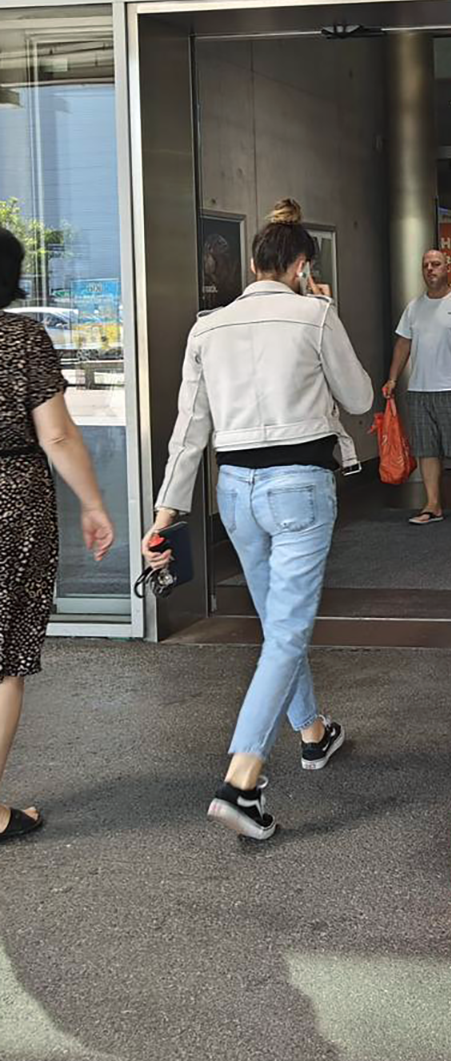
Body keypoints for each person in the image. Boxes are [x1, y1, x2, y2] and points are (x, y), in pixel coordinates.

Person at [144, 199, 374, 841]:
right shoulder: (314, 313)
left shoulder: (208, 327)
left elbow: (189, 431)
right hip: (299, 486)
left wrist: (165, 513)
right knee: (287, 630)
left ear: (251, 263)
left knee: (279, 623)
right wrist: (324, 314)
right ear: (302, 266)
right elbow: (358, 396)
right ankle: (241, 780)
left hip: (236, 490)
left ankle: (312, 733)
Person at [0, 228, 116, 844]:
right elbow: (59, 436)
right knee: (3, 661)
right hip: (11, 503)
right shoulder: (19, 338)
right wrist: (94, 504)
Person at [382, 249, 451, 525]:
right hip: (419, 390)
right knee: (426, 449)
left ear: (447, 268)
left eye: (436, 264)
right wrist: (393, 378)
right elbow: (403, 344)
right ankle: (433, 504)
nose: (430, 269)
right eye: (426, 265)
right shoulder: (414, 308)